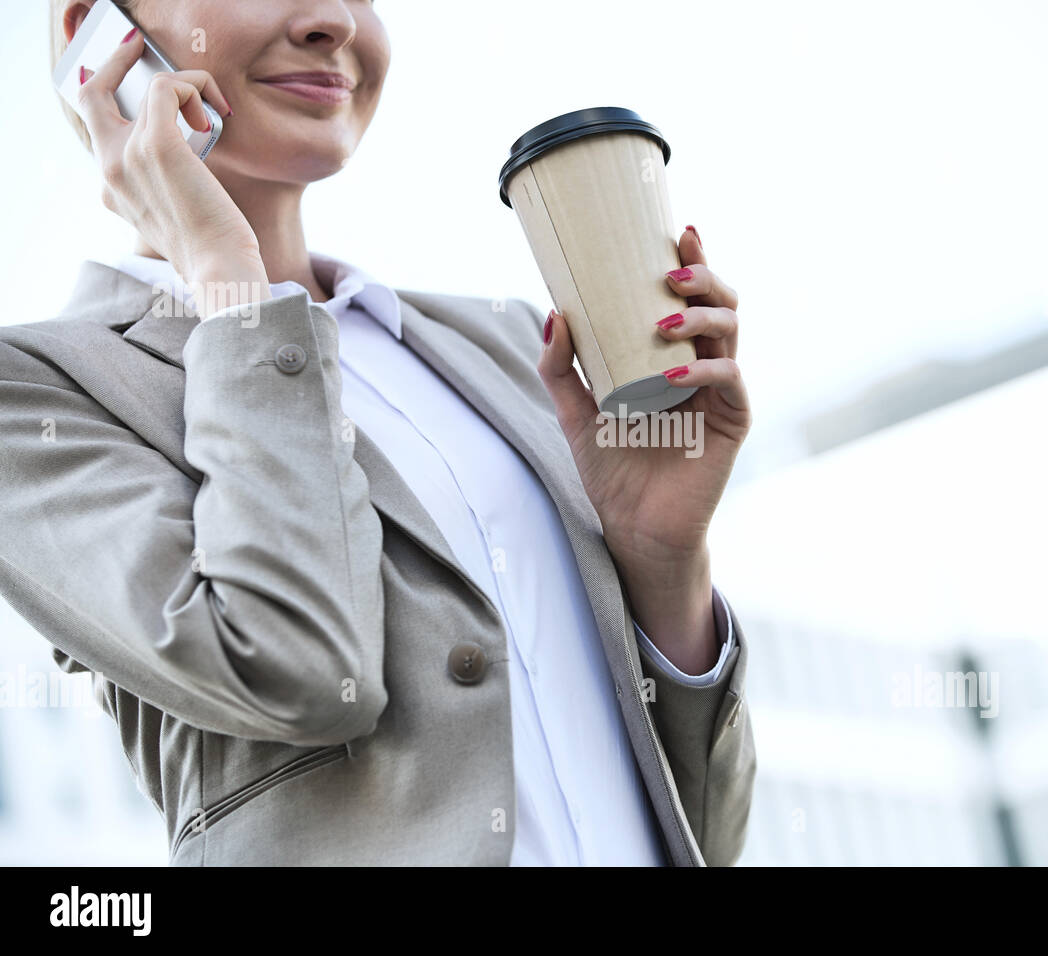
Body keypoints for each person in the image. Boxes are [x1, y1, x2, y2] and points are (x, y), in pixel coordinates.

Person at [0, 0, 755, 864]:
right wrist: (229, 284)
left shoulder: (509, 345)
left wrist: (664, 563)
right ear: (92, 33)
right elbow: (298, 670)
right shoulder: (40, 394)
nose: (332, 21)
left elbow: (707, 835)